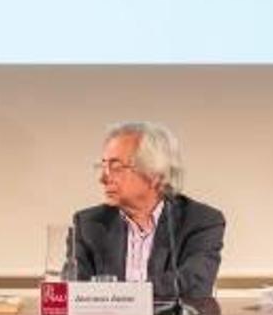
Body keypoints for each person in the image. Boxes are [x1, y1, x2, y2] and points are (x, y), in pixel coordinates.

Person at [71, 122, 225, 298]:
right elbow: (76, 291)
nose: (103, 178)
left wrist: (118, 296)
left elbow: (194, 286)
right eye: (102, 166)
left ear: (155, 174)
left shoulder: (200, 221)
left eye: (115, 167)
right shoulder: (89, 224)